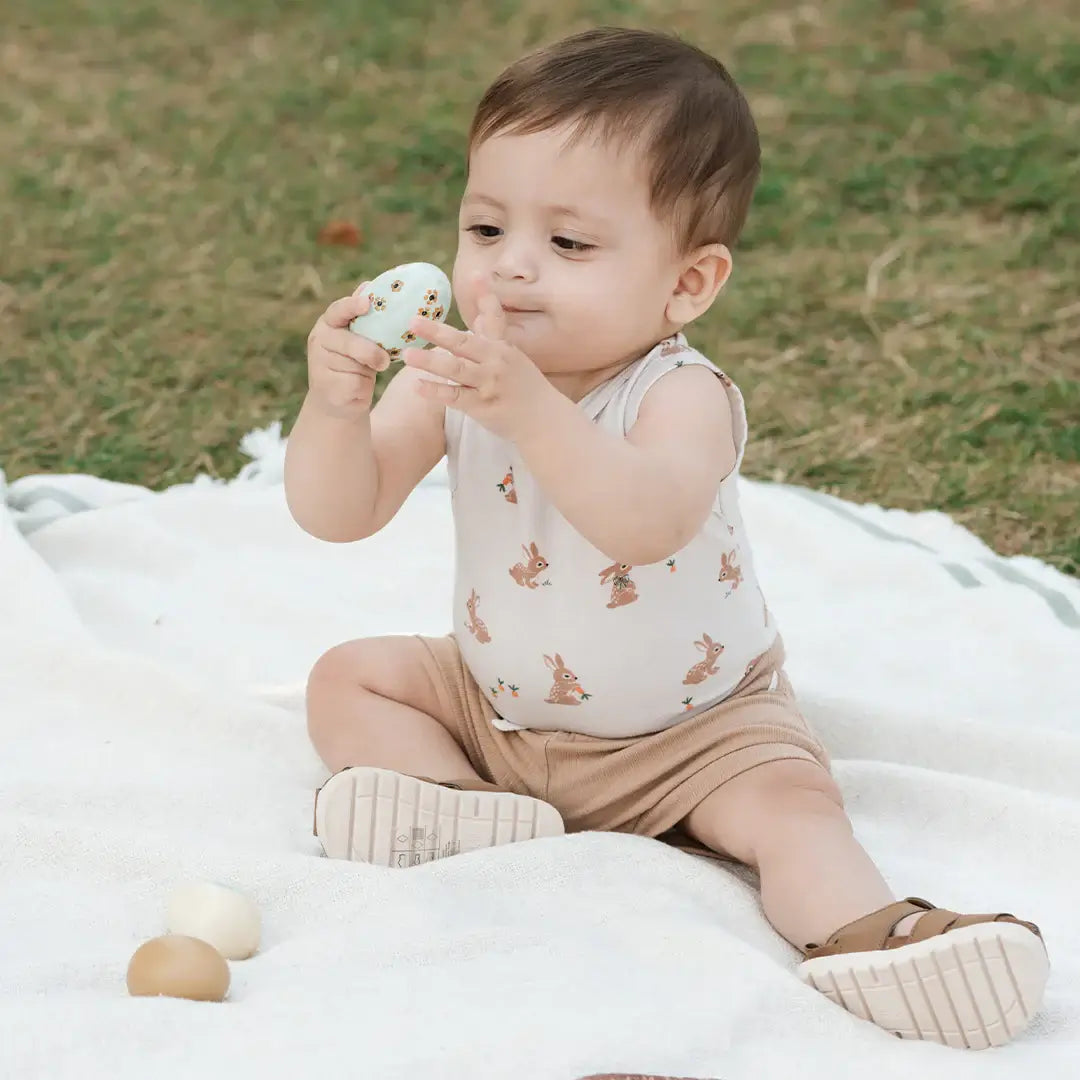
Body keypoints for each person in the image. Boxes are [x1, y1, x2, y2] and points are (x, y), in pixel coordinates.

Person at [284, 26, 1047, 1050]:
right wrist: (333, 410)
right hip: (500, 710)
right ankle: (456, 802)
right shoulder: (450, 376)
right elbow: (342, 512)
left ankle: (882, 936)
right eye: (485, 228)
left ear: (686, 285)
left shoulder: (682, 395)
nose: (509, 271)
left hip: (696, 735)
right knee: (348, 677)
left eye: (568, 245)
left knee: (793, 808)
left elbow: (644, 522)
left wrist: (528, 413)